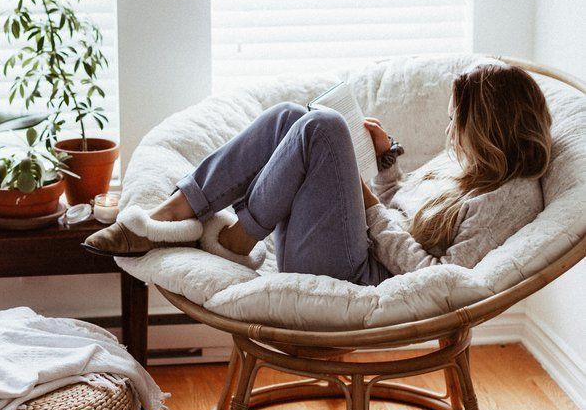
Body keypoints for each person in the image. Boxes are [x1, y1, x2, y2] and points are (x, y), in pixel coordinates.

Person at [84, 63, 552, 286]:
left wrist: (367, 206)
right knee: (293, 116)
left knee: (322, 127)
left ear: (491, 128)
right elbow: (406, 208)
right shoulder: (473, 166)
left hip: (365, 275)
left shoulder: (509, 198)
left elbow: (443, 279)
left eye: (458, 121)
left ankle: (237, 238)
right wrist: (385, 164)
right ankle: (171, 213)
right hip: (354, 244)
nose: (450, 130)